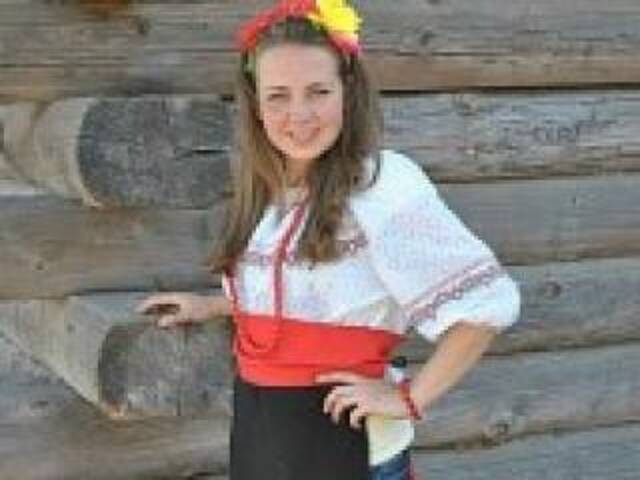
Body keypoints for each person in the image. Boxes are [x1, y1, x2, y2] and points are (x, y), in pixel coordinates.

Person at [136, 1, 521, 479]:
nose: (299, 115)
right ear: (255, 105)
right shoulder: (270, 192)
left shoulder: (380, 187)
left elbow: (487, 305)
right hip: (265, 438)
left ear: (347, 93)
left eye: (318, 91)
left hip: (344, 444)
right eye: (278, 96)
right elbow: (319, 298)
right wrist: (213, 306)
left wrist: (410, 397)